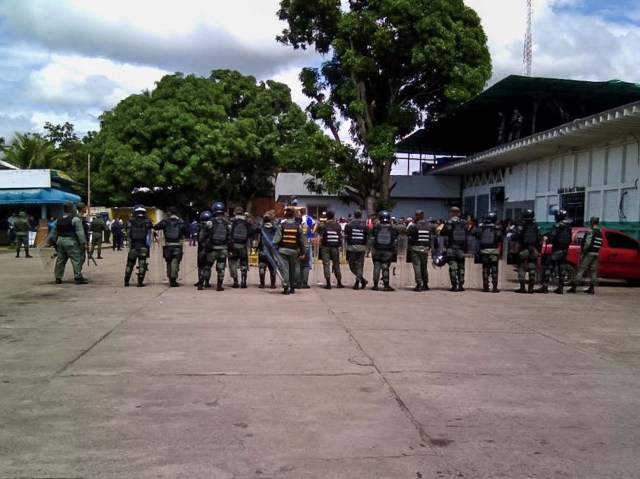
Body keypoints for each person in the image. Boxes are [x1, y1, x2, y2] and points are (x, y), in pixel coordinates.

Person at [537, 209, 573, 294]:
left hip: (556, 250)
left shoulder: (557, 226)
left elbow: (551, 236)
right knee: (562, 269)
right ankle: (560, 288)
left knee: (549, 267)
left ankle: (545, 286)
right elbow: (570, 239)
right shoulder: (569, 227)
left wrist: (547, 238)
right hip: (565, 251)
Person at [51, 202, 88, 284]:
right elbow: (80, 232)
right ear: (72, 208)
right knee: (76, 259)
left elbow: (54, 233)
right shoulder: (75, 219)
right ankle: (78, 277)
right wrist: (84, 243)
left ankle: (58, 277)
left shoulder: (58, 219)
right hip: (71, 241)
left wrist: (54, 242)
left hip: (60, 241)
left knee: (60, 260)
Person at [153, 206, 189, 287]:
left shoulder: (165, 221)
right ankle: (173, 279)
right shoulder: (181, 221)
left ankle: (170, 278)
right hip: (178, 245)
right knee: (175, 262)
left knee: (169, 262)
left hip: (168, 245)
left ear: (170, 212)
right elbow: (187, 232)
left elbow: (156, 227)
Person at [274, 207, 305, 295]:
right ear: (294, 215)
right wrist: (303, 252)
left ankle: (286, 287)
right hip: (294, 251)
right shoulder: (298, 226)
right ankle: (292, 287)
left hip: (283, 250)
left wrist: (274, 249)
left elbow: (276, 240)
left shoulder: (281, 225)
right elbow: (301, 240)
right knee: (293, 269)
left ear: (285, 215)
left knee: (285, 269)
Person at [568, 216, 602, 295]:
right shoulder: (599, 232)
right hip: (596, 253)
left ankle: (574, 287)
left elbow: (587, 243)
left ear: (592, 222)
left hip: (589, 253)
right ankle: (592, 288)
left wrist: (583, 252)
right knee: (593, 270)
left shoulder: (591, 231)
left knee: (581, 269)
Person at [406, 209, 434, 291]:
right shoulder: (429, 225)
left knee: (417, 266)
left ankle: (418, 284)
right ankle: (425, 284)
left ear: (417, 216)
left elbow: (407, 233)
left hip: (415, 248)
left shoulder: (414, 225)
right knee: (424, 267)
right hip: (425, 248)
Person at [124, 205, 153, 287]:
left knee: (130, 264)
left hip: (133, 246)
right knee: (142, 264)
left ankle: (126, 281)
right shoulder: (147, 222)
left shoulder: (129, 221)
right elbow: (150, 229)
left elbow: (128, 233)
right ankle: (140, 282)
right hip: (143, 246)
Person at [370, 210, 398, 291]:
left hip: (376, 250)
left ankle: (375, 285)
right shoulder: (393, 227)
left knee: (376, 267)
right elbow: (395, 239)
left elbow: (372, 238)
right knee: (385, 267)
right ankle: (386, 285)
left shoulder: (376, 226)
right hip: (388, 251)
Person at [514, 209, 540, 294]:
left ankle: (522, 288)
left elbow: (515, 237)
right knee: (532, 266)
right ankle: (531, 288)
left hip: (523, 250)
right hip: (533, 250)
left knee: (521, 267)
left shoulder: (521, 226)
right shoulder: (536, 226)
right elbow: (539, 239)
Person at [442, 206, 467, 291]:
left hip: (451, 248)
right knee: (461, 267)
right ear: (459, 213)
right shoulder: (464, 223)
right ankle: (461, 285)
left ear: (451, 213)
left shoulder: (448, 223)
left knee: (453, 267)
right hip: (461, 249)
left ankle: (454, 285)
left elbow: (442, 234)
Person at [317, 210, 344, 289]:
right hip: (335, 247)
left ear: (326, 217)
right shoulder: (338, 225)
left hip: (325, 247)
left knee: (326, 264)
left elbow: (320, 234)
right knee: (336, 264)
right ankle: (339, 282)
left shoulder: (323, 225)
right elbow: (340, 237)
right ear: (334, 216)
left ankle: (328, 283)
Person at [478, 212, 503, 292]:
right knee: (494, 269)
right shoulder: (497, 229)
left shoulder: (481, 228)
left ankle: (485, 287)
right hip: (494, 252)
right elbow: (501, 239)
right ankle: (495, 287)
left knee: (485, 269)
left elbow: (475, 234)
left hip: (484, 252)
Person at [344, 210, 369, 289]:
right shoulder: (365, 225)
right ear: (361, 215)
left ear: (354, 215)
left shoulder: (349, 224)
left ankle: (358, 281)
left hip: (352, 247)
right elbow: (367, 235)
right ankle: (360, 280)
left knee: (352, 266)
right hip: (361, 247)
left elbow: (346, 233)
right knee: (360, 266)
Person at [228, 206, 251, 288]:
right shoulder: (247, 222)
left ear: (235, 212)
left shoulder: (231, 221)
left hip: (233, 246)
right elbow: (250, 233)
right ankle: (244, 281)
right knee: (244, 263)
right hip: (243, 246)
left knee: (232, 263)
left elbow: (228, 233)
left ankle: (235, 282)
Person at [257, 211, 278, 289]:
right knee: (272, 267)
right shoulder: (275, 228)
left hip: (262, 250)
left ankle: (262, 284)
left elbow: (254, 229)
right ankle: (272, 284)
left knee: (262, 267)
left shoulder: (261, 228)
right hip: (272, 251)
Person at [294, 211, 311, 288]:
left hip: (297, 248)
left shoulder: (293, 226)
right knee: (306, 265)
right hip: (306, 247)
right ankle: (304, 283)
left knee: (297, 266)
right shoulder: (306, 227)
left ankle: (297, 283)